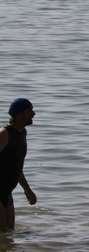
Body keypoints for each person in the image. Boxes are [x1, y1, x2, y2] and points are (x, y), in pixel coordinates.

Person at [1, 98, 38, 232]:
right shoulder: (4, 134)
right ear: (18, 114)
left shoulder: (22, 133)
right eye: (29, 110)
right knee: (2, 232)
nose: (33, 114)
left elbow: (16, 166)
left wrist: (27, 189)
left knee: (8, 234)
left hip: (6, 192)